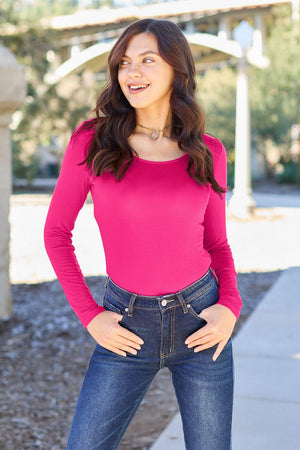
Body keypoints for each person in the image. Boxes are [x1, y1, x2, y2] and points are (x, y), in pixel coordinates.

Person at [44, 18, 242, 450]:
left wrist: (230, 305)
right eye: (124, 63)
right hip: (125, 323)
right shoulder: (92, 141)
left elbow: (217, 245)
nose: (132, 72)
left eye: (147, 60)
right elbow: (57, 232)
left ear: (177, 69)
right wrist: (90, 315)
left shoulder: (208, 151)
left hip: (201, 322)